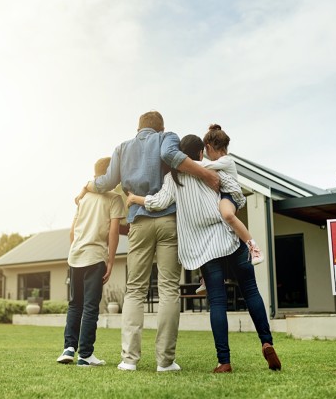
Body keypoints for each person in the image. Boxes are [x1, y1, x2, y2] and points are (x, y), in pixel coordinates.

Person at [76, 110, 219, 372]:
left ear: (138, 128)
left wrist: (88, 184)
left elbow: (107, 182)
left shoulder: (122, 148)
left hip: (138, 222)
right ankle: (165, 361)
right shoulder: (167, 137)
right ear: (160, 127)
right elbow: (170, 156)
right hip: (168, 222)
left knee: (135, 290)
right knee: (168, 290)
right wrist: (205, 174)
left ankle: (129, 360)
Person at [127, 134, 281, 373]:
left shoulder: (173, 177)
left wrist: (135, 198)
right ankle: (266, 341)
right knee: (250, 290)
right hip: (228, 237)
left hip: (204, 250)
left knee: (217, 301)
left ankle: (224, 361)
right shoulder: (210, 169)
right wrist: (231, 203)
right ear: (201, 153)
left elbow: (158, 202)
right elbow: (235, 192)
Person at [57, 157, 125, 367]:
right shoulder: (114, 199)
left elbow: (72, 231)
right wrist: (111, 260)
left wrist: (76, 249)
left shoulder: (83, 198)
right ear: (111, 175)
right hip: (95, 258)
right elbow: (114, 231)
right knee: (90, 307)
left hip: (75, 256)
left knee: (74, 305)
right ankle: (85, 355)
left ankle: (69, 348)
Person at [195, 124, 264, 295]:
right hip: (222, 197)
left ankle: (253, 247)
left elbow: (204, 167)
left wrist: (183, 161)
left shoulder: (226, 161)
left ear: (209, 147)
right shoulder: (220, 162)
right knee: (214, 237)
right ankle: (205, 277)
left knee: (226, 215)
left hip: (230, 197)